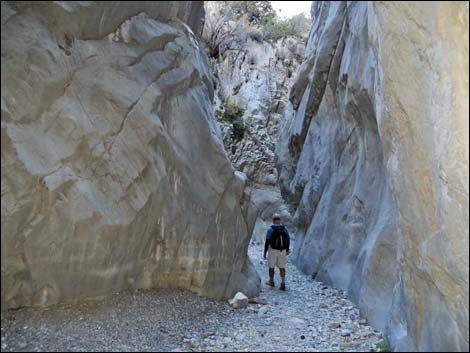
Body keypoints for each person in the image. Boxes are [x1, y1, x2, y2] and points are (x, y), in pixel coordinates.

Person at [264, 213, 290, 290]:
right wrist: (287, 250)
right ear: (279, 220)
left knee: (271, 267)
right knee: (282, 267)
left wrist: (265, 252)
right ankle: (283, 283)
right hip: (282, 250)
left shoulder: (270, 229)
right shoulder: (284, 229)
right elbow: (288, 240)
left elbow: (267, 242)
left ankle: (271, 281)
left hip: (273, 251)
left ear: (273, 220)